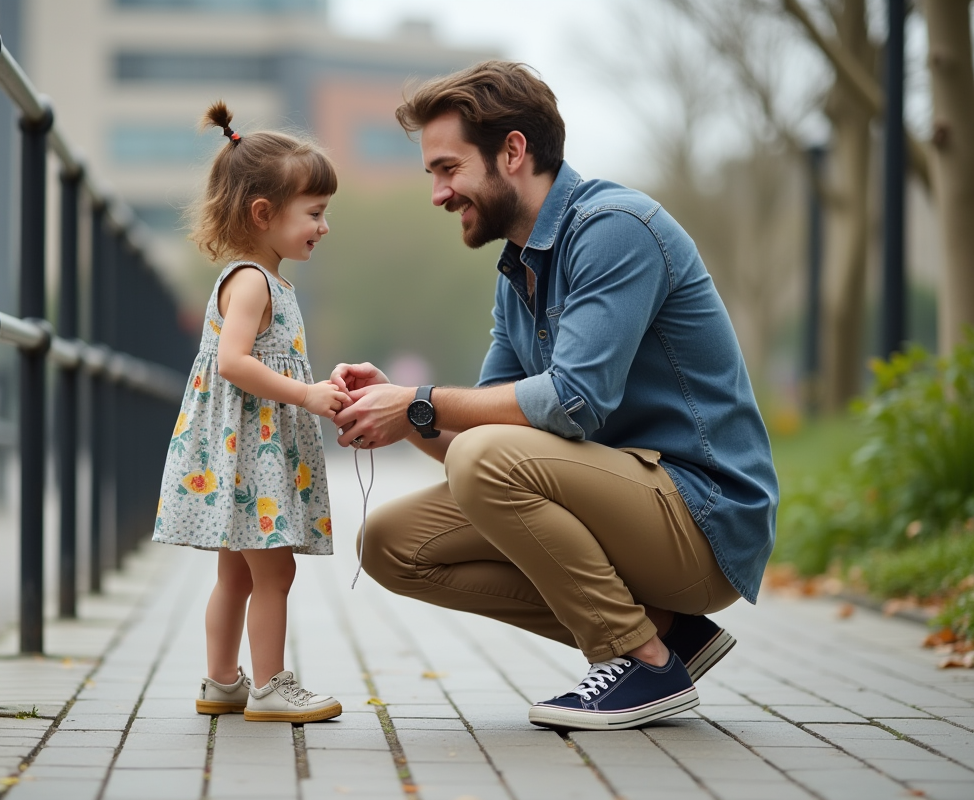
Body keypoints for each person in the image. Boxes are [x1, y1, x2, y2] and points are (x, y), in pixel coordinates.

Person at [331, 61, 779, 731]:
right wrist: (399, 413)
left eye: (447, 168)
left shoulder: (615, 229)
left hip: (703, 516)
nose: (437, 193)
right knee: (391, 544)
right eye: (432, 174)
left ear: (513, 151)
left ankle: (642, 662)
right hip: (627, 504)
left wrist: (420, 399)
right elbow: (479, 440)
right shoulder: (518, 270)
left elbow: (572, 403)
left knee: (487, 456)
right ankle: (669, 634)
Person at [153, 101, 349, 723]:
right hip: (253, 457)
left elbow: (257, 360)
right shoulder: (253, 282)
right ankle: (269, 686)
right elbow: (235, 362)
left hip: (242, 454)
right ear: (264, 214)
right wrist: (308, 395)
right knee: (275, 574)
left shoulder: (260, 279)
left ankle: (221, 682)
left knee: (236, 577)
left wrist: (316, 382)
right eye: (315, 214)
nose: (324, 227)